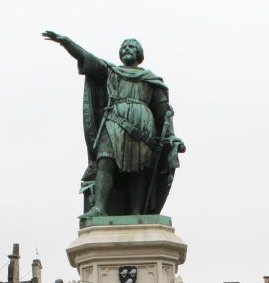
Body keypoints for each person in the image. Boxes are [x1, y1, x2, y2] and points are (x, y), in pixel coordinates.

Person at [43, 31, 185, 218]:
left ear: (139, 54)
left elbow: (164, 113)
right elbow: (87, 58)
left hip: (143, 128)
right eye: (124, 47)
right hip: (113, 122)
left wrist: (171, 136)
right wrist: (67, 43)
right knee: (105, 160)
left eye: (132, 47)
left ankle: (136, 213)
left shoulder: (151, 80)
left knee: (138, 169)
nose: (127, 49)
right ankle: (99, 207)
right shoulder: (111, 71)